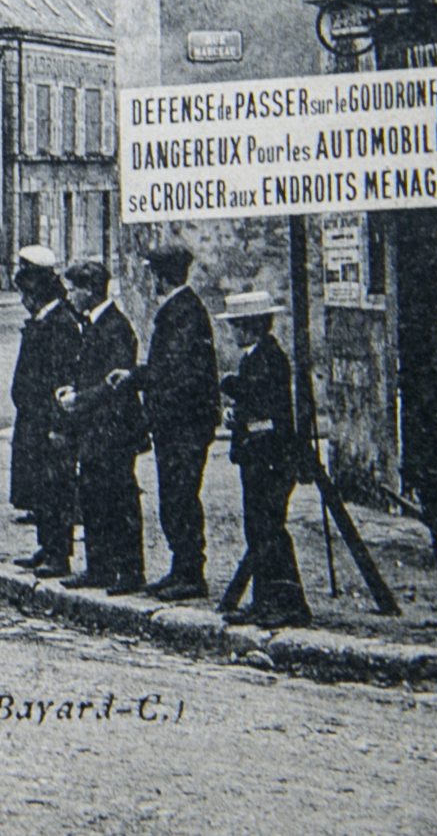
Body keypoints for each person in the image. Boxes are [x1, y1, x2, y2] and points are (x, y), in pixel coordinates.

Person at [107, 242, 219, 602]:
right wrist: (137, 376)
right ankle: (181, 569)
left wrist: (143, 382)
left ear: (163, 274)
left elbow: (178, 374)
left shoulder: (184, 312)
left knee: (181, 497)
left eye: (153, 272)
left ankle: (190, 574)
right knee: (174, 496)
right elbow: (166, 370)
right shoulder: (180, 309)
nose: (150, 279)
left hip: (184, 424)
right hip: (176, 423)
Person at [217, 291, 314, 629]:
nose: (232, 332)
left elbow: (265, 406)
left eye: (236, 325)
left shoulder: (268, 358)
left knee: (269, 530)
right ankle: (263, 601)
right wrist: (237, 415)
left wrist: (231, 386)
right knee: (258, 530)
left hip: (270, 456)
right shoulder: (255, 357)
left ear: (251, 326)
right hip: (257, 454)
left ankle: (288, 602)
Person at [56, 261, 147, 595]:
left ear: (90, 291)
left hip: (115, 429)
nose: (70, 296)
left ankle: (130, 571)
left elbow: (115, 384)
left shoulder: (115, 328)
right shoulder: (94, 324)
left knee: (120, 498)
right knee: (93, 496)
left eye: (74, 289)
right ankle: (99, 567)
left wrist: (80, 398)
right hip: (95, 428)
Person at [9, 246, 80, 578]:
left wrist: (57, 424)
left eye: (27, 293)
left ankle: (59, 552)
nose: (25, 300)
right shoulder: (43, 319)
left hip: (48, 421)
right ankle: (46, 545)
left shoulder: (61, 323)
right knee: (39, 486)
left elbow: (60, 378)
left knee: (56, 487)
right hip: (32, 419)